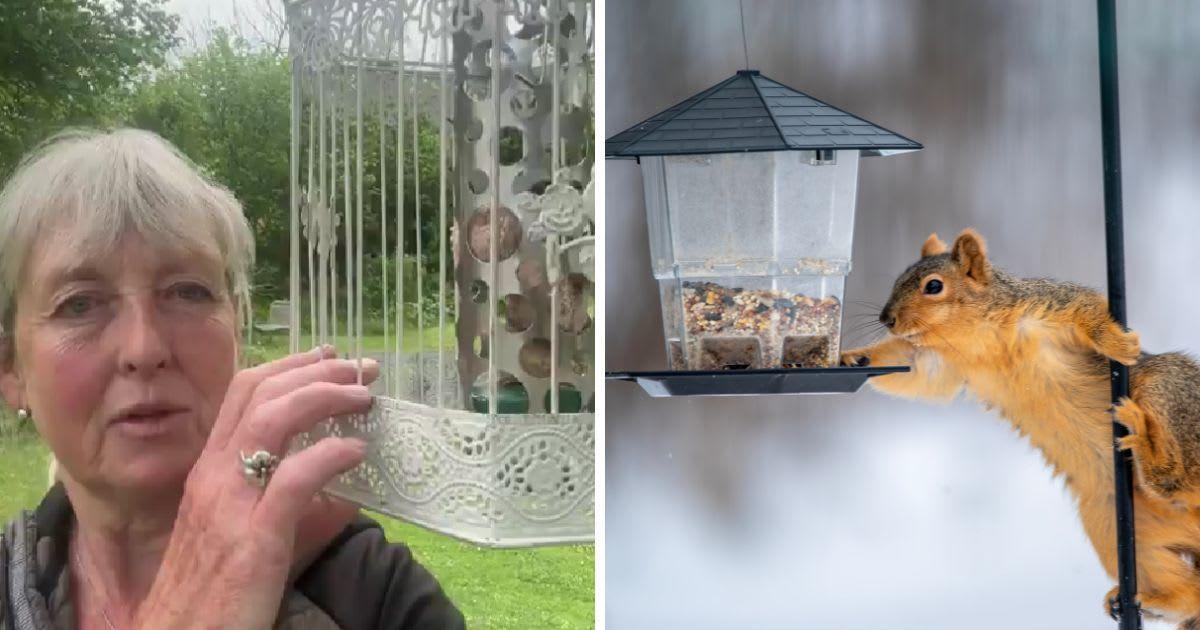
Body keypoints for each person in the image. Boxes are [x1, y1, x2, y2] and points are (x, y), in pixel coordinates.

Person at [0, 129, 466, 629]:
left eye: (187, 292)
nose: (144, 349)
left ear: (237, 332)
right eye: (79, 304)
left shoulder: (367, 593)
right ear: (10, 369)